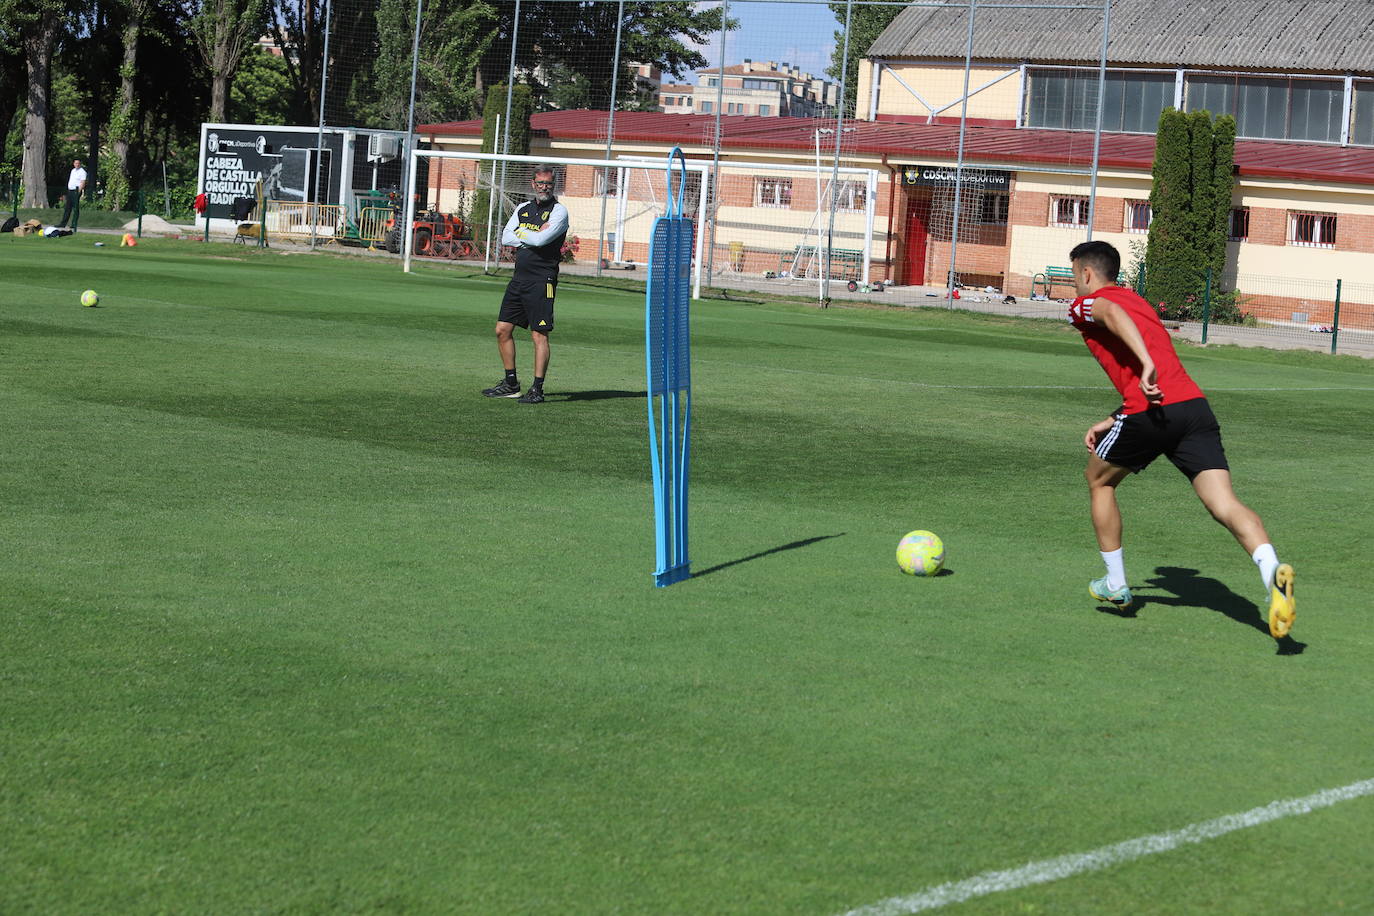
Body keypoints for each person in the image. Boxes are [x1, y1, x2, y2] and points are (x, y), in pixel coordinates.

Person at [1066, 240, 1295, 639]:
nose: (1074, 285)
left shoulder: (1088, 304)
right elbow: (1144, 348)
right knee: (1224, 503)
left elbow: (1110, 313)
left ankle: (1116, 584)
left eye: (1073, 276)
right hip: (1193, 409)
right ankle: (1273, 572)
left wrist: (1145, 365)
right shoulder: (1140, 301)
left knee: (1099, 480)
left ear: (1086, 273)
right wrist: (1112, 417)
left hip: (1150, 412)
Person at [482, 166, 570, 405]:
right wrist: (529, 234)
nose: (544, 188)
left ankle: (537, 389)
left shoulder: (559, 212)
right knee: (502, 329)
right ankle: (511, 384)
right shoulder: (523, 209)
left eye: (549, 184)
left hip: (543, 281)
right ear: (533, 184)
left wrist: (523, 235)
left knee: (539, 334)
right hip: (519, 280)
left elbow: (542, 240)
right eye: (540, 183)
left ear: (554, 186)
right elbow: (505, 237)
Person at [56, 159, 87, 229]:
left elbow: (83, 182)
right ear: (74, 164)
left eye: (78, 163)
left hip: (76, 191)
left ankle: (74, 224)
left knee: (75, 208)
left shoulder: (82, 172)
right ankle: (63, 223)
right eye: (75, 163)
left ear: (80, 164)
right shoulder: (73, 171)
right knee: (67, 207)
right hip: (70, 190)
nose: (77, 164)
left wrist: (79, 191)